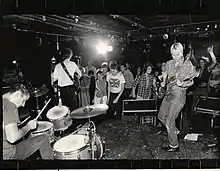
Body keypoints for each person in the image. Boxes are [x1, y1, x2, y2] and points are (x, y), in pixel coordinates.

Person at [158, 43, 199, 152]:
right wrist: (163, 82)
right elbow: (166, 76)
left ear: (181, 52)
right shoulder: (169, 63)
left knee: (169, 120)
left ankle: (174, 145)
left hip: (178, 96)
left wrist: (183, 84)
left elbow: (192, 81)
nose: (174, 57)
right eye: (172, 54)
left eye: (177, 54)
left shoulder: (187, 64)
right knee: (161, 116)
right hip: (168, 94)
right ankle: (175, 131)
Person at [3, 84, 54, 160]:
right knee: (43, 139)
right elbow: (12, 138)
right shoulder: (10, 107)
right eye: (23, 100)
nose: (23, 105)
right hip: (8, 155)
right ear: (17, 94)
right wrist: (29, 126)